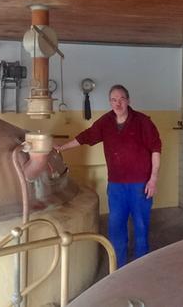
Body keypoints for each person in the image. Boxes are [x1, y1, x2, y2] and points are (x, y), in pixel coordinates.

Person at [55, 84, 162, 268]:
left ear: (128, 100)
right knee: (116, 226)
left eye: (121, 99)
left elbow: (156, 150)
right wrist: (62, 148)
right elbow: (86, 136)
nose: (118, 104)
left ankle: (141, 266)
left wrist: (153, 179)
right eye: (113, 100)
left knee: (141, 226)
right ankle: (118, 266)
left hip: (140, 184)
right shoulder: (106, 122)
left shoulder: (143, 122)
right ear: (110, 102)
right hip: (116, 186)